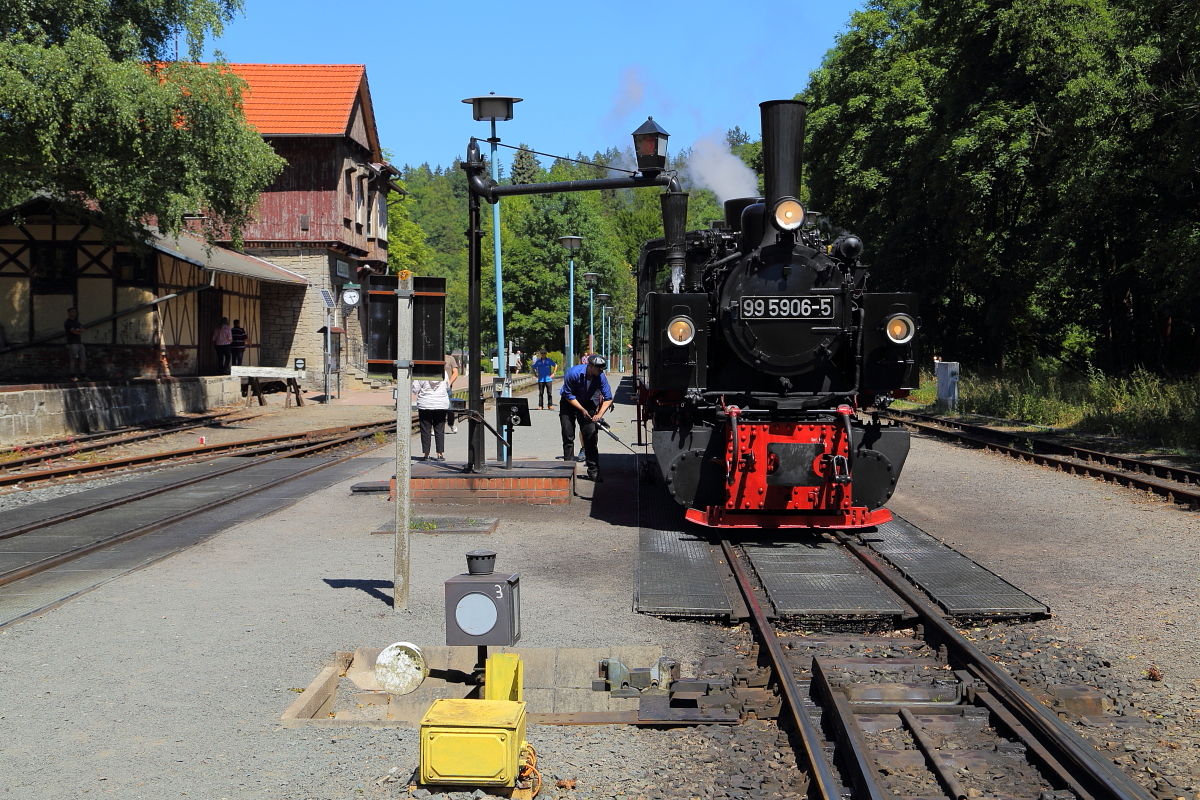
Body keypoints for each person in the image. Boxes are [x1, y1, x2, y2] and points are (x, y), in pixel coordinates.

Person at [559, 354, 613, 482]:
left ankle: (593, 471)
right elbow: (568, 394)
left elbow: (608, 397)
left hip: (587, 401)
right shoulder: (574, 373)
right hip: (569, 403)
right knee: (568, 435)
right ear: (591, 366)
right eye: (599, 369)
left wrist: (599, 414)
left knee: (590, 437)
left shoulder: (600, 377)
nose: (601, 372)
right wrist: (581, 410)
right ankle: (568, 470)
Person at [412, 374, 450, 461]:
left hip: (425, 404)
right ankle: (440, 454)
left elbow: (415, 390)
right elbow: (447, 387)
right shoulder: (443, 372)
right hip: (441, 404)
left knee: (425, 429)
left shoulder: (422, 373)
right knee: (440, 429)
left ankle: (426, 454)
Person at [63, 308, 85, 381]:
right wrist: (78, 330)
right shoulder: (68, 322)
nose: (73, 313)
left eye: (75, 312)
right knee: (73, 359)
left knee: (82, 359)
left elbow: (82, 329)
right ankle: (72, 375)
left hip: (79, 342)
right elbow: (73, 331)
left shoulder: (76, 322)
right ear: (68, 313)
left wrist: (78, 330)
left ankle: (83, 375)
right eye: (72, 312)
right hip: (72, 343)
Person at [444, 351, 460, 433]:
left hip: (447, 388)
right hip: (435, 388)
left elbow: (455, 372)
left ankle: (451, 423)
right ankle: (436, 426)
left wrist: (449, 383)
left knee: (449, 407)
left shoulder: (450, 359)